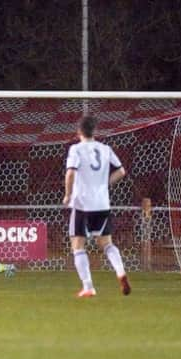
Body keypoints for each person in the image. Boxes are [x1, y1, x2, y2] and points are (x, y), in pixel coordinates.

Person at [63, 115, 131, 298]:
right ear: (95, 131)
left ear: (79, 132)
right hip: (102, 203)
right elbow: (121, 171)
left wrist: (68, 195)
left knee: (78, 245)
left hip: (82, 204)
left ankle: (88, 286)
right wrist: (105, 184)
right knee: (107, 244)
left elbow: (70, 173)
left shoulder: (76, 149)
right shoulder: (105, 148)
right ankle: (120, 272)